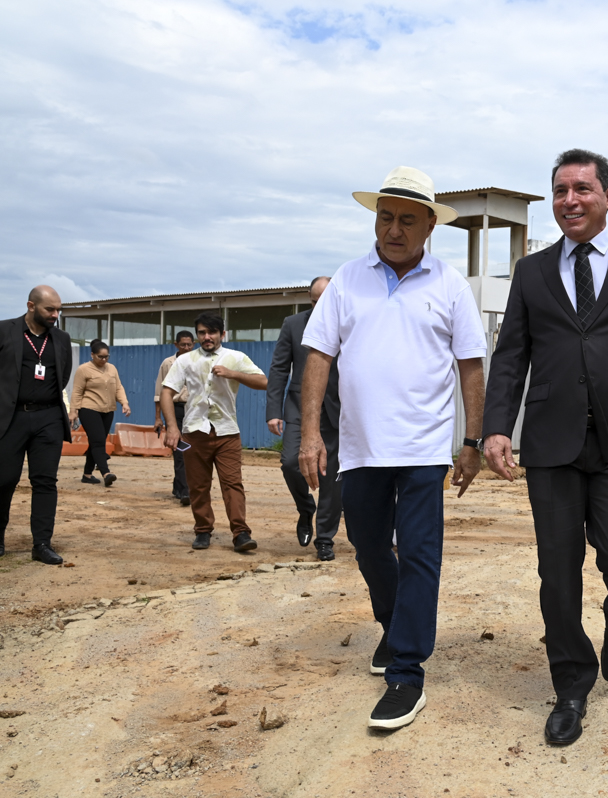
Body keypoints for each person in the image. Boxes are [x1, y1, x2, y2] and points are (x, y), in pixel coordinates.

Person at [482, 149, 608, 746]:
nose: (569, 200)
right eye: (560, 190)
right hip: (551, 442)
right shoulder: (532, 272)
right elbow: (510, 356)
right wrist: (497, 427)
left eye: (582, 189)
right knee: (557, 572)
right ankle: (571, 685)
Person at [299, 165, 488, 731]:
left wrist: (472, 441)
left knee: (421, 554)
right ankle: (394, 624)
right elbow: (318, 356)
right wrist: (310, 433)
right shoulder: (347, 279)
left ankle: (407, 673)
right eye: (386, 217)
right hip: (361, 448)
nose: (394, 229)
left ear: (430, 226)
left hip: (425, 448)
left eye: (408, 220)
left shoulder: (450, 285)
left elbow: (471, 366)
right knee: (368, 545)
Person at [160, 312, 268, 553]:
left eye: (212, 332)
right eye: (202, 333)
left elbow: (264, 382)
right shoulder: (185, 360)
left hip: (227, 432)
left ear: (222, 334)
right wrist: (172, 427)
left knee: (232, 484)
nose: (207, 337)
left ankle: (241, 533)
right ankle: (202, 530)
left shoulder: (235, 357)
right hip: (194, 431)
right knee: (198, 485)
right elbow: (167, 392)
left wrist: (233, 374)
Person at [267, 276, 341, 561]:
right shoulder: (293, 324)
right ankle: (305, 508)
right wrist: (274, 411)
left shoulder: (349, 323)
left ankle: (325, 539)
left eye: (324, 301)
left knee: (331, 476)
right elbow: (279, 369)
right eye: (313, 301)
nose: (318, 307)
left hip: (337, 410)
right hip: (299, 407)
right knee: (290, 463)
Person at [0, 285, 72, 564]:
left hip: (48, 418)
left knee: (45, 481)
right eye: (49, 309)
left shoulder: (61, 338)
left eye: (58, 310)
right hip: (11, 417)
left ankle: (42, 544)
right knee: (4, 479)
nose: (55, 315)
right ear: (31, 306)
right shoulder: (5, 330)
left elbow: (63, 376)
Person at [70, 339, 131, 488]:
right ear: (92, 355)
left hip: (108, 410)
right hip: (89, 409)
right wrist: (73, 411)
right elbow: (77, 391)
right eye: (100, 357)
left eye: (106, 357)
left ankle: (87, 474)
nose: (104, 360)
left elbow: (118, 387)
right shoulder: (83, 369)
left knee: (96, 441)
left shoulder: (112, 368)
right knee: (98, 441)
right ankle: (106, 473)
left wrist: (124, 403)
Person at [154, 331, 195, 505]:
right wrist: (158, 418)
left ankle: (179, 485)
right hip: (175, 410)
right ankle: (185, 491)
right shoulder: (168, 364)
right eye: (183, 344)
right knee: (180, 450)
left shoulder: (199, 362)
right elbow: (159, 392)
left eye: (189, 344)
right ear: (176, 345)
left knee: (193, 451)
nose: (186, 348)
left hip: (194, 411)